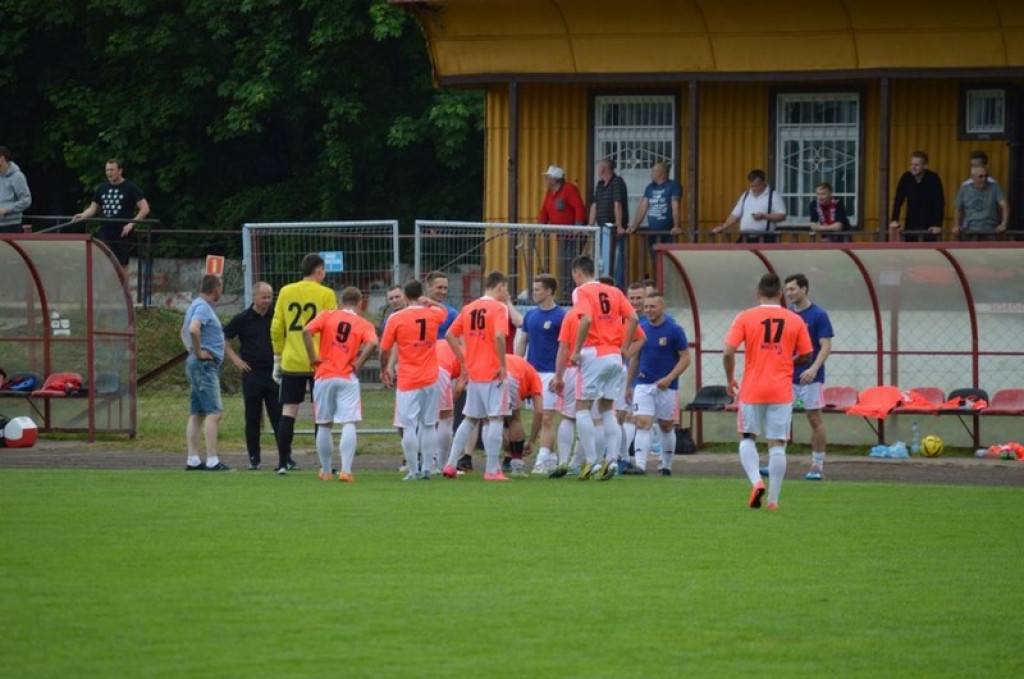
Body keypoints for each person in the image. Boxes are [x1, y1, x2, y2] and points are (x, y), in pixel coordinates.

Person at [723, 273, 813, 510]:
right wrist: (787, 361)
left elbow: (728, 352)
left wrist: (730, 378)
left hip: (752, 388)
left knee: (747, 437)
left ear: (758, 294)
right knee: (777, 444)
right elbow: (808, 355)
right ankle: (773, 500)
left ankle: (756, 481)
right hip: (781, 390)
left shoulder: (745, 317)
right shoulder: (794, 319)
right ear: (781, 295)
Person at [552, 255, 638, 481]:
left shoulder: (581, 292)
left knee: (581, 408)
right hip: (614, 356)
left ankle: (590, 461)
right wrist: (625, 347)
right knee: (607, 409)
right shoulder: (615, 291)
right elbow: (634, 318)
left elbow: (587, 320)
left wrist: (577, 350)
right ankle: (611, 461)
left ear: (578, 273)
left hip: (593, 353)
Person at [270, 253, 338, 475]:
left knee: (289, 410)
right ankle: (324, 464)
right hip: (319, 361)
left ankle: (282, 463)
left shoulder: (286, 291)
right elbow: (333, 327)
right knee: (321, 413)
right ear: (319, 271)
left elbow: (276, 327)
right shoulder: (326, 294)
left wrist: (278, 355)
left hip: (292, 360)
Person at [303, 287, 379, 482]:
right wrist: (359, 363)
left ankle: (326, 471)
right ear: (360, 303)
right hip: (347, 376)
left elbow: (306, 330)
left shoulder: (328, 315)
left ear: (341, 301)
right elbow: (373, 344)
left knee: (324, 423)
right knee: (349, 422)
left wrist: (313, 357)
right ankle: (346, 470)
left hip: (324, 375)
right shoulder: (363, 323)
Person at [441, 271, 511, 481]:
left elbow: (450, 335)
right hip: (492, 371)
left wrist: (464, 359)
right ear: (499, 286)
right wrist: (502, 363)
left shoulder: (469, 308)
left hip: (474, 371)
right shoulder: (499, 308)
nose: (506, 293)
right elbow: (499, 335)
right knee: (496, 418)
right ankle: (491, 470)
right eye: (506, 288)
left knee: (470, 418)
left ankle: (451, 465)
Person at [380, 279, 449, 480]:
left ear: (405, 296)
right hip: (430, 377)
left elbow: (385, 348)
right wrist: (432, 302)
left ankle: (413, 469)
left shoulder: (396, 318)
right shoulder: (433, 314)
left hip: (408, 378)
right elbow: (444, 312)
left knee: (408, 425)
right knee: (428, 424)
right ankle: (427, 467)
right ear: (421, 294)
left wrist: (385, 367)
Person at [626, 292, 690, 476]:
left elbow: (685, 359)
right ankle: (640, 466)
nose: (648, 310)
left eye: (652, 307)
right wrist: (628, 386)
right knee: (642, 422)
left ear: (662, 308)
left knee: (666, 425)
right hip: (643, 384)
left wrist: (669, 378)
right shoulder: (640, 328)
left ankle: (666, 466)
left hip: (667, 386)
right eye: (646, 307)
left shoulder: (674, 329)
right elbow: (635, 358)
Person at [223, 281, 281, 470]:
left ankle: (285, 457)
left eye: (269, 297)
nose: (266, 301)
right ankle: (254, 458)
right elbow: (225, 339)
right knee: (253, 417)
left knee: (278, 417)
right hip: (252, 373)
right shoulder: (243, 318)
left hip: (273, 373)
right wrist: (237, 360)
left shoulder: (277, 316)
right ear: (254, 297)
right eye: (263, 297)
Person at [784, 274, 834, 481]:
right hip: (787, 376)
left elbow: (826, 346)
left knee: (814, 417)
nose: (789, 293)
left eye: (793, 289)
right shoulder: (786, 315)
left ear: (804, 289)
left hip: (810, 376)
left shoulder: (818, 315)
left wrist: (813, 368)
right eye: (787, 290)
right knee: (781, 418)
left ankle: (817, 464)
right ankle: (777, 461)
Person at [515, 274, 566, 474]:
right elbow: (522, 342)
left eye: (537, 290)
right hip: (531, 373)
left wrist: (559, 375)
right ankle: (550, 458)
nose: (533, 293)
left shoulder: (561, 316)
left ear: (549, 291)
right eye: (534, 289)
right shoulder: (530, 316)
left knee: (546, 417)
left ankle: (541, 458)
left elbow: (565, 347)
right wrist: (517, 366)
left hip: (551, 373)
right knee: (536, 415)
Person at [182, 274, 231, 471]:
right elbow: (194, 330)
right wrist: (198, 351)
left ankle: (193, 459)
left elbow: (183, 330)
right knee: (214, 412)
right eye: (221, 288)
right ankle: (212, 459)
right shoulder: (203, 307)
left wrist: (191, 350)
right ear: (216, 288)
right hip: (204, 366)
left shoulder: (195, 305)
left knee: (197, 413)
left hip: (198, 364)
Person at [72, 158, 150, 266]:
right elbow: (93, 209)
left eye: (112, 170)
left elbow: (145, 208)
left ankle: (123, 284)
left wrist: (131, 224)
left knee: (121, 264)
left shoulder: (130, 188)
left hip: (123, 232)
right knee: (103, 262)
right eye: (107, 170)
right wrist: (83, 215)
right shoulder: (101, 188)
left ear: (120, 171)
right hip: (105, 230)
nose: (109, 173)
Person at [537, 165, 587, 298]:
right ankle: (566, 293)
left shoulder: (569, 189)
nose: (546, 180)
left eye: (548, 178)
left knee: (570, 264)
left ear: (554, 180)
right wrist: (540, 225)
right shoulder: (550, 193)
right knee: (564, 264)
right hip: (563, 236)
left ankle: (571, 294)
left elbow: (579, 208)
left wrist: (578, 227)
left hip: (573, 237)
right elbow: (544, 211)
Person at [629, 162, 682, 275]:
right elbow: (643, 207)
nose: (651, 174)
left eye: (653, 171)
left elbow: (675, 205)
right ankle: (659, 286)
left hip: (668, 233)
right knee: (655, 262)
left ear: (661, 173)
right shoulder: (650, 188)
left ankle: (669, 287)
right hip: (653, 233)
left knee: (670, 262)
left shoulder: (672, 185)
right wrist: (634, 226)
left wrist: (676, 226)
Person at [711, 169, 787, 243]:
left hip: (765, 238)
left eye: (757, 186)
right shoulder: (746, 195)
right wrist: (723, 227)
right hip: (745, 237)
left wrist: (764, 216)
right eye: (752, 186)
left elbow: (782, 216)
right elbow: (735, 214)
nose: (754, 189)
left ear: (763, 182)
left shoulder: (773, 195)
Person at [589, 158, 629, 288]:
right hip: (601, 229)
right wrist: (590, 225)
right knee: (602, 261)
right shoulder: (600, 185)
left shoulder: (617, 182)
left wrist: (619, 226)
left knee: (616, 260)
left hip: (613, 230)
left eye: (600, 168)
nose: (598, 170)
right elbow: (594, 205)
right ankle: (605, 286)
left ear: (604, 169)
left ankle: (617, 287)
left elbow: (618, 203)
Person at [889, 151, 945, 242]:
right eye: (911, 164)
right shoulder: (906, 177)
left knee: (929, 253)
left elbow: (939, 202)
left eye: (916, 165)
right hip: (911, 224)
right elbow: (898, 200)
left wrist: (938, 225)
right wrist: (894, 219)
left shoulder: (933, 178)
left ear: (925, 166)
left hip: (929, 226)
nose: (913, 167)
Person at [505, 353, 544, 477]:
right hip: (509, 376)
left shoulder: (522, 365)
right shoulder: (535, 377)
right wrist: (532, 441)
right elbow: (539, 412)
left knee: (490, 419)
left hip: (489, 370)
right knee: (515, 419)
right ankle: (517, 466)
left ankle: (491, 465)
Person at [953, 166, 1007, 240]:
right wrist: (956, 225)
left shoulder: (994, 187)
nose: (984, 179)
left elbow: (1005, 206)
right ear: (973, 177)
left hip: (990, 230)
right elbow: (957, 208)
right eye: (980, 176)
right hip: (970, 230)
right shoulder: (964, 189)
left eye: (986, 176)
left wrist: (1003, 224)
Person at [0, 146, 32, 234]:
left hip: (10, 224)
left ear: (2, 158)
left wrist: (7, 210)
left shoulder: (17, 176)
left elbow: (26, 200)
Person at [425, 271, 459, 338]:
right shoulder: (417, 310)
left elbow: (459, 339)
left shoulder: (452, 313)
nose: (443, 292)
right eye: (439, 287)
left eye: (445, 288)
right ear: (428, 287)